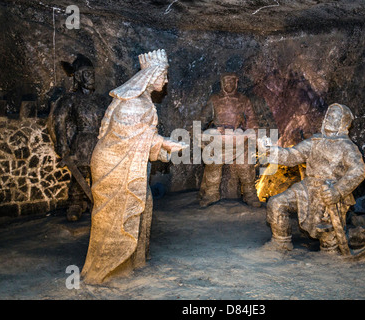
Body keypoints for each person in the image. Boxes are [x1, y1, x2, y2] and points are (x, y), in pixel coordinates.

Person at [81, 49, 187, 284]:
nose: (167, 80)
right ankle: (106, 268)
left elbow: (140, 137)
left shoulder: (142, 100)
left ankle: (133, 260)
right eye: (165, 75)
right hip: (114, 167)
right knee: (115, 215)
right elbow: (130, 137)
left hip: (129, 165)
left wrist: (161, 143)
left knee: (143, 204)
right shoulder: (132, 104)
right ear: (152, 75)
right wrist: (165, 143)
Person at [261, 103, 365, 256]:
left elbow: (359, 170)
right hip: (307, 188)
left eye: (334, 116)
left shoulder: (347, 147)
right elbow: (292, 155)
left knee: (330, 245)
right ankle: (281, 243)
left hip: (330, 193)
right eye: (328, 115)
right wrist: (271, 151)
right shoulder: (315, 141)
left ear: (343, 122)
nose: (329, 118)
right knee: (277, 203)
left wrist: (337, 191)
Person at [50, 54, 106, 221]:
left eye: (92, 73)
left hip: (100, 140)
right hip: (82, 140)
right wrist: (62, 144)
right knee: (79, 174)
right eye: (87, 74)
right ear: (79, 76)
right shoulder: (71, 98)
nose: (91, 77)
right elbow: (59, 120)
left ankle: (97, 202)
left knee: (100, 174)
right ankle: (75, 204)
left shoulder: (101, 100)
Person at [198, 73, 261, 208]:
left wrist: (253, 134)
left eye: (232, 81)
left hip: (237, 137)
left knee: (245, 165)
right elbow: (202, 119)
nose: (229, 84)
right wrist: (200, 135)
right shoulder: (214, 100)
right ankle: (211, 193)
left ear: (236, 83)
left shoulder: (243, 100)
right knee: (213, 165)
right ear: (222, 83)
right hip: (218, 138)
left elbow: (252, 120)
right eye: (226, 82)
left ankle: (250, 193)